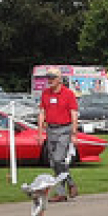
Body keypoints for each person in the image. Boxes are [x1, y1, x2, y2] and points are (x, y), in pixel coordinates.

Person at [37, 71, 79, 200]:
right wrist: (40, 133)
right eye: (48, 78)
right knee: (53, 162)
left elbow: (74, 114)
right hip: (51, 129)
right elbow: (42, 113)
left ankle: (61, 192)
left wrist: (74, 133)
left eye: (53, 78)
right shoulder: (45, 94)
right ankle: (70, 184)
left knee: (57, 159)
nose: (50, 80)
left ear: (59, 79)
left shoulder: (68, 94)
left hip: (64, 129)